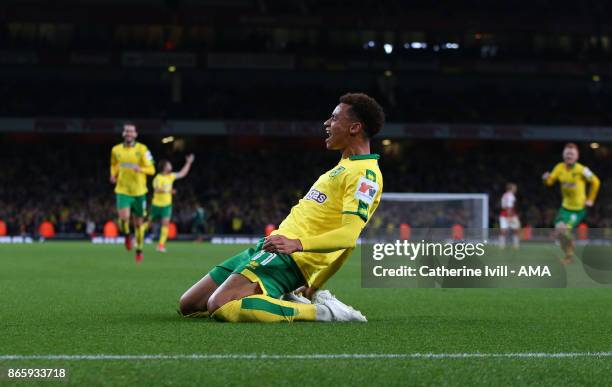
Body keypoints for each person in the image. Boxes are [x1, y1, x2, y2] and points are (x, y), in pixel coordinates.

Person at [179, 93, 385, 322]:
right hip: (273, 245)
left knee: (220, 306)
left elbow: (348, 237)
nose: (327, 123)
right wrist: (314, 286)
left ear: (354, 128)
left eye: (334, 118)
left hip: (293, 257)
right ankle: (286, 297)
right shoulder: (345, 166)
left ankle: (323, 313)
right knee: (189, 305)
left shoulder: (365, 175)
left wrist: (297, 245)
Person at [542, 143, 600, 264]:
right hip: (565, 207)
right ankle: (569, 255)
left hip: (578, 209)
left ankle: (570, 253)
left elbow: (596, 182)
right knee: (559, 232)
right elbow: (550, 182)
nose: (569, 156)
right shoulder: (559, 168)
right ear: (563, 155)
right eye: (567, 153)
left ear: (577, 156)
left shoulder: (582, 170)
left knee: (564, 231)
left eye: (572, 154)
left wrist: (591, 199)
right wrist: (546, 178)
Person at [110, 123, 155, 263]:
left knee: (138, 224)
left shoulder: (142, 149)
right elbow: (114, 165)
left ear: (135, 134)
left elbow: (152, 169)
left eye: (131, 131)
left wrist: (140, 169)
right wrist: (113, 174)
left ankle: (139, 250)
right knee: (123, 218)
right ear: (123, 134)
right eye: (126, 131)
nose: (129, 133)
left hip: (139, 192)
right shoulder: (116, 150)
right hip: (122, 190)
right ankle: (127, 235)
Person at [150, 154, 195, 252]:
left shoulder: (170, 176)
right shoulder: (158, 178)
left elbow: (182, 173)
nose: (171, 166)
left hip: (167, 205)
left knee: (165, 224)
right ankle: (136, 238)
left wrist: (188, 162)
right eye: (169, 164)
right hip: (156, 205)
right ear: (164, 167)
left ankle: (161, 245)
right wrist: (168, 191)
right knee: (149, 223)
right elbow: (157, 190)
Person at [499, 183, 520, 249]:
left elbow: (503, 206)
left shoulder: (504, 195)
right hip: (510, 214)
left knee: (503, 230)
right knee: (516, 229)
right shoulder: (511, 196)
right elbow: (509, 207)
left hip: (503, 214)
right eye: (515, 188)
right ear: (511, 189)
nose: (516, 189)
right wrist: (509, 217)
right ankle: (515, 245)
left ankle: (502, 245)